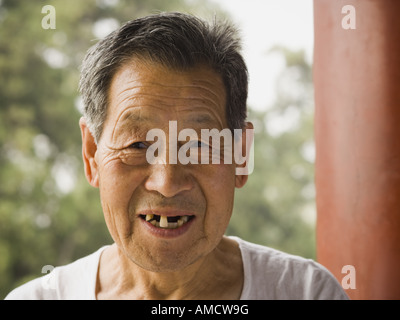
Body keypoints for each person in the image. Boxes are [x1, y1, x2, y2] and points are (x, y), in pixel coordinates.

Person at [5, 12, 348, 300]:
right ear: (92, 154)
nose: (167, 182)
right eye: (138, 146)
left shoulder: (305, 292)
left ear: (241, 156)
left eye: (199, 146)